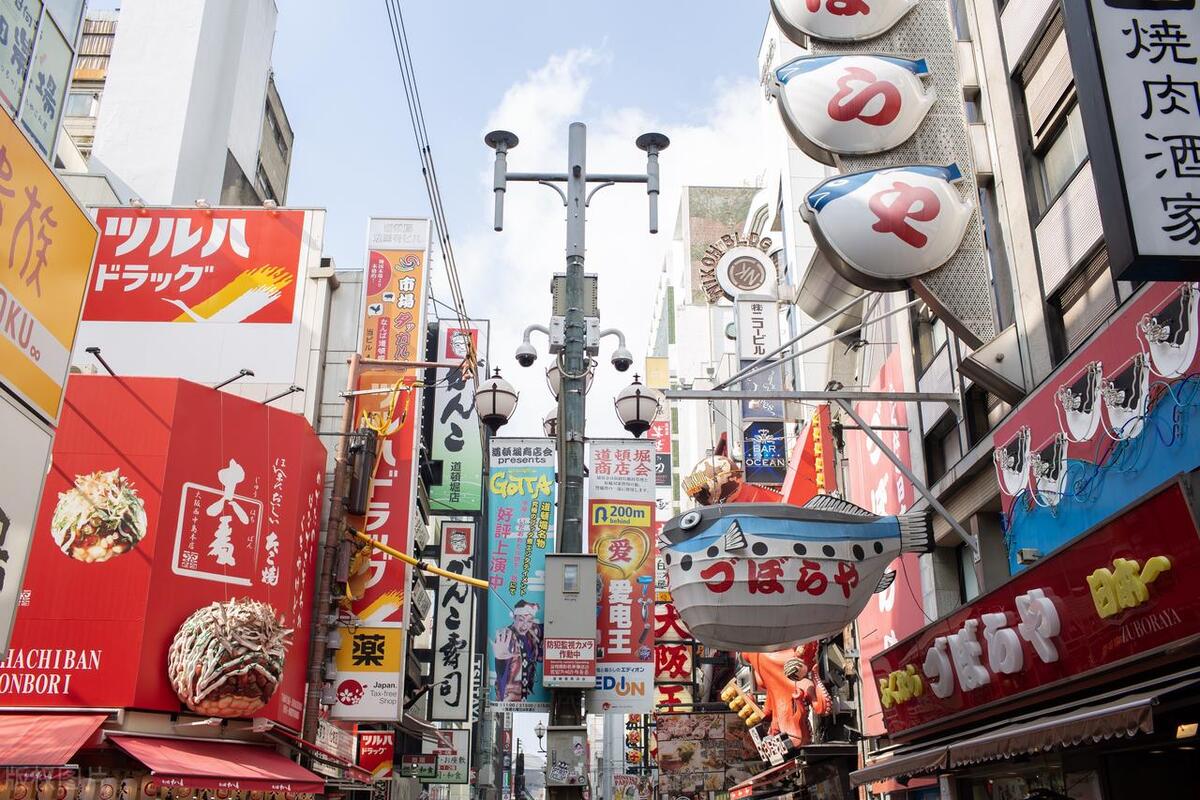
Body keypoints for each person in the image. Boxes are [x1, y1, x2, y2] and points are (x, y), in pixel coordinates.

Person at [493, 600, 543, 702]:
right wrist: (501, 661)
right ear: (514, 617)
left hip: (527, 698)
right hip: (509, 699)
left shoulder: (532, 632)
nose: (525, 625)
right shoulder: (507, 638)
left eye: (529, 621)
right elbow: (501, 674)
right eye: (521, 620)